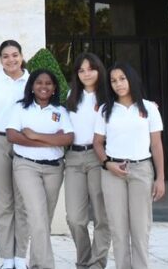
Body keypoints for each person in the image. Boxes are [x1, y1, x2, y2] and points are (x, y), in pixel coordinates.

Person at [93, 63, 165, 269]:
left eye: (122, 78)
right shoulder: (106, 110)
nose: (118, 84)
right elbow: (97, 142)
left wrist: (160, 178)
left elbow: (156, 144)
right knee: (118, 228)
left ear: (131, 79)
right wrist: (108, 164)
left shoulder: (149, 108)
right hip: (113, 172)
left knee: (141, 229)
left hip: (141, 170)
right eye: (113, 80)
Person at [6, 69, 73, 269]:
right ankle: (45, 266)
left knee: (44, 219)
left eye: (48, 84)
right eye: (39, 83)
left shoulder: (60, 111)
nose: (43, 87)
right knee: (37, 216)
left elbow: (68, 138)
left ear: (54, 88)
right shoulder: (20, 108)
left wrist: (34, 135)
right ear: (32, 86)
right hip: (26, 166)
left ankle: (35, 263)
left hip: (54, 169)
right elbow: (12, 135)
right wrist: (51, 141)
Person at [0, 40, 30, 269]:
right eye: (6, 56)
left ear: (21, 56)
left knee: (22, 203)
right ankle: (7, 259)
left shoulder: (31, 81)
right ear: (0, 59)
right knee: (3, 203)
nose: (11, 60)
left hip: (24, 144)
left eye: (15, 55)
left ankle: (20, 258)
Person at [64, 53, 110, 269]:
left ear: (99, 70)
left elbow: (135, 101)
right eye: (81, 70)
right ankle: (84, 261)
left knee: (102, 215)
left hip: (98, 157)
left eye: (90, 69)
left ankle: (98, 262)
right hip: (73, 158)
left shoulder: (108, 97)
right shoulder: (72, 95)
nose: (86, 74)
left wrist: (150, 106)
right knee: (74, 217)